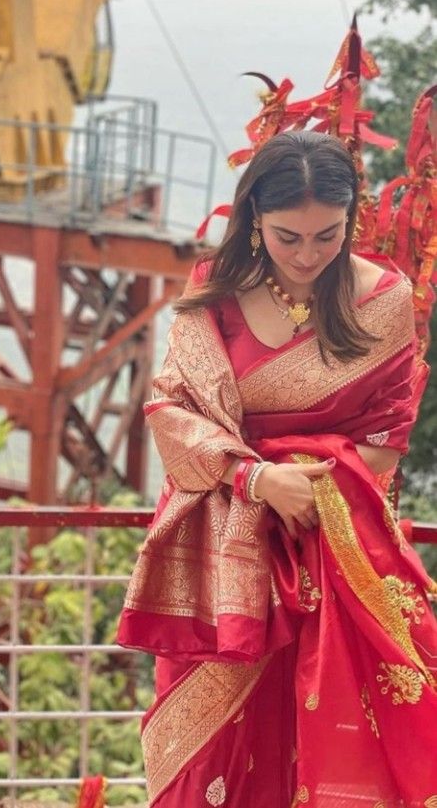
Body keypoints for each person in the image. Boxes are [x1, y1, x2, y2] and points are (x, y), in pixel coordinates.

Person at [117, 131, 437, 807]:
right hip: (220, 552)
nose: (307, 255)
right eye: (288, 236)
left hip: (324, 547)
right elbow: (170, 410)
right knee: (205, 758)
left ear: (349, 220)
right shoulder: (214, 291)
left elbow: (385, 435)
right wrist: (260, 481)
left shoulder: (380, 303)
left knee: (322, 731)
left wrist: (304, 482)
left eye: (327, 235)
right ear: (254, 219)